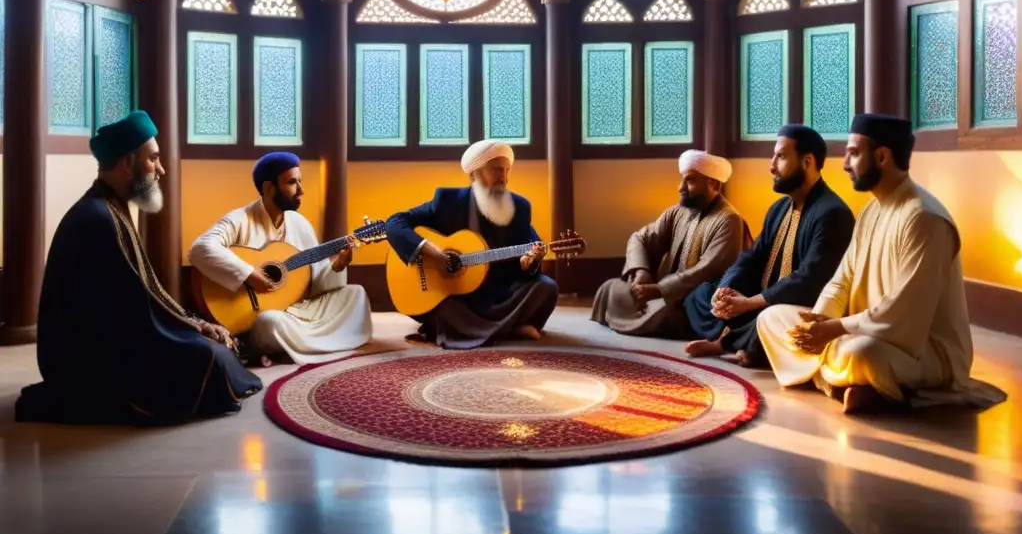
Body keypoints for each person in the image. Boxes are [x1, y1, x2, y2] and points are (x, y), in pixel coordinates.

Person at [16, 111, 262, 425]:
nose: (160, 170)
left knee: (208, 347)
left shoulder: (109, 208)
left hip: (106, 339)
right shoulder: (98, 219)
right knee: (208, 357)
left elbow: (139, 299)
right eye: (153, 159)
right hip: (85, 360)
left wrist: (193, 323)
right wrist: (195, 330)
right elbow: (136, 313)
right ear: (128, 163)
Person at [757, 114, 1007, 414]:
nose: (846, 164)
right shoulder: (870, 212)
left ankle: (835, 378)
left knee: (863, 354)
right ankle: (854, 385)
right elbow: (841, 281)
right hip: (858, 330)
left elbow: (902, 314)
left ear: (882, 157)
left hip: (919, 350)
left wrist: (834, 329)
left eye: (853, 154)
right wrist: (819, 322)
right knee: (771, 318)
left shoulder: (925, 219)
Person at [684, 125, 855, 366]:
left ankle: (728, 344)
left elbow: (809, 281)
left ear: (807, 162)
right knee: (701, 295)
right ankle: (745, 340)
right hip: (760, 301)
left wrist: (750, 302)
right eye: (773, 156)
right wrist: (727, 289)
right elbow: (752, 257)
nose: (771, 166)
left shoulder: (832, 213)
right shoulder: (779, 209)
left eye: (781, 156)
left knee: (773, 319)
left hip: (796, 305)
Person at [189, 152, 372, 366]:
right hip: (266, 315)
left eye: (300, 182)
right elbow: (200, 248)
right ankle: (304, 345)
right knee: (270, 322)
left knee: (356, 295)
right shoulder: (239, 219)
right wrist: (249, 274)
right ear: (269, 188)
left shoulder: (299, 223)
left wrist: (337, 266)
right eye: (292, 182)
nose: (301, 190)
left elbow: (315, 282)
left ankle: (289, 348)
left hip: (299, 307)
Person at [385, 139, 558, 348]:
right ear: (473, 174)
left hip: (498, 294)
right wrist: (433, 253)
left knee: (547, 287)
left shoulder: (520, 207)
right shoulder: (446, 201)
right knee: (440, 307)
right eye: (496, 170)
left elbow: (528, 253)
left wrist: (529, 263)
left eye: (507, 170)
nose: (503, 178)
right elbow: (394, 222)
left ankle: (477, 329)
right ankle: (510, 327)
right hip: (457, 295)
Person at [591, 151, 750, 337]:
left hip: (693, 296)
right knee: (610, 287)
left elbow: (708, 270)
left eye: (689, 181)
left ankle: (644, 314)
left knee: (666, 311)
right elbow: (640, 238)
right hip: (665, 291)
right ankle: (643, 310)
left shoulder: (728, 220)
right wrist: (642, 271)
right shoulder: (678, 212)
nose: (681, 187)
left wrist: (660, 290)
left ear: (713, 183)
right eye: (682, 180)